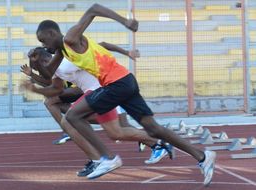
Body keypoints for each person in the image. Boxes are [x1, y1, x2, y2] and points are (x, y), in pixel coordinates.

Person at [36, 4, 216, 186]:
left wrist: (125, 21)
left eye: (43, 40)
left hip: (116, 84)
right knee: (152, 128)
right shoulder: (61, 51)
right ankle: (202, 155)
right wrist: (36, 63)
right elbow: (48, 73)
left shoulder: (71, 37)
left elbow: (94, 9)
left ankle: (108, 158)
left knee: (74, 115)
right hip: (125, 81)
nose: (44, 46)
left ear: (52, 33)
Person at [21, 46, 174, 176]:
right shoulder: (55, 69)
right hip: (99, 93)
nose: (42, 72)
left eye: (40, 67)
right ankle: (158, 142)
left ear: (47, 60)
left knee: (69, 120)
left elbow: (102, 45)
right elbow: (51, 85)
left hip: (102, 91)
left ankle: (99, 160)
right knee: (116, 133)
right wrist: (34, 81)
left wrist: (126, 52)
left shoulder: (67, 59)